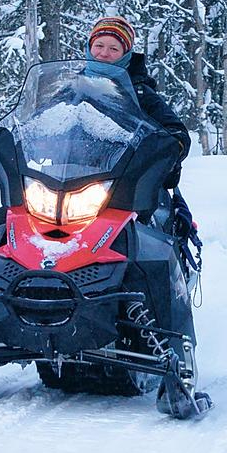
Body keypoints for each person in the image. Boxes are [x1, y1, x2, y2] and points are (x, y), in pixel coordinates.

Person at [85, 16, 199, 272]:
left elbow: (176, 131)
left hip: (123, 179)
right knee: (8, 220)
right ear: (89, 47)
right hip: (71, 176)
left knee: (144, 234)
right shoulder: (73, 86)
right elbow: (46, 117)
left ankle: (151, 291)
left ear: (125, 54)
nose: (104, 53)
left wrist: (166, 149)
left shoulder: (140, 92)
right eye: (99, 45)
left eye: (114, 48)